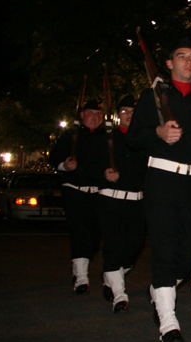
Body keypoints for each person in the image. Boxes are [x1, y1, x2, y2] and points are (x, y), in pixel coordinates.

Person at [127, 37, 191, 342]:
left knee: (190, 253)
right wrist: (158, 133)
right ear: (169, 64)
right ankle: (169, 323)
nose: (189, 62)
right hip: (163, 180)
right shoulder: (152, 98)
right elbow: (133, 137)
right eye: (181, 56)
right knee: (166, 248)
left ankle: (160, 288)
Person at [90, 95, 147, 312]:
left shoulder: (144, 141)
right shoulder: (106, 139)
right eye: (125, 111)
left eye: (133, 112)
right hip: (111, 200)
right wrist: (103, 174)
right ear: (117, 115)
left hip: (136, 203)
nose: (129, 116)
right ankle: (120, 295)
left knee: (133, 247)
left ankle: (111, 277)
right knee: (114, 247)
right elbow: (89, 166)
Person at [49, 100, 104, 294]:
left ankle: (81, 263)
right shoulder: (70, 135)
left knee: (95, 235)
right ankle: (81, 276)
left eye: (98, 114)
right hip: (74, 189)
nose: (94, 117)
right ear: (82, 115)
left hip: (96, 193)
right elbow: (53, 158)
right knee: (79, 232)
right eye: (90, 113)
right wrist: (65, 165)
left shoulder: (105, 137)